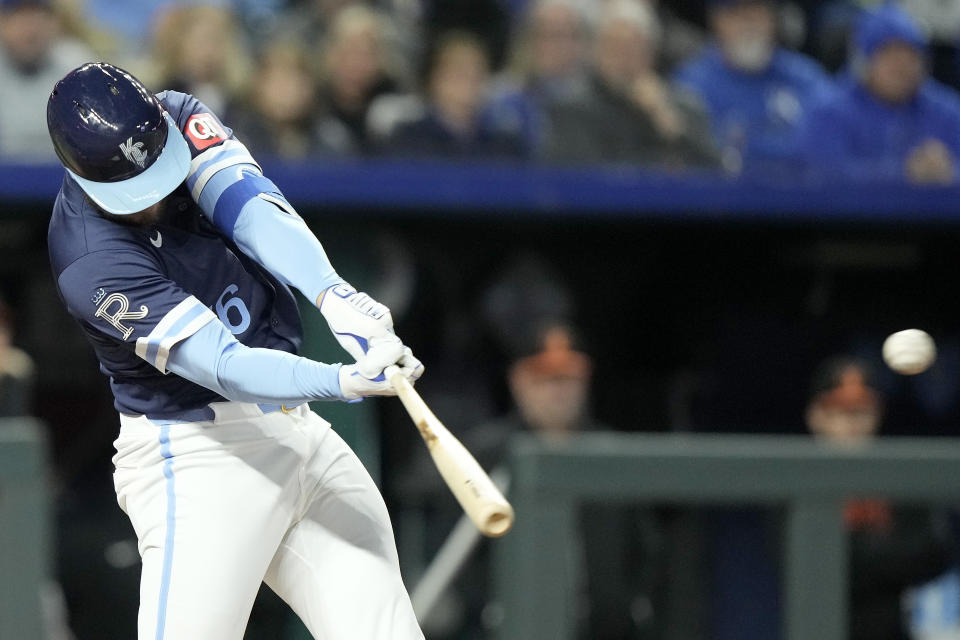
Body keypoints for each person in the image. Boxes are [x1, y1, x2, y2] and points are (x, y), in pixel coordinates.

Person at [45, 62, 425, 640]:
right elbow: (224, 365)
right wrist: (342, 381)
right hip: (197, 457)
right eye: (132, 191)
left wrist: (335, 294)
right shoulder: (90, 261)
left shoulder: (176, 115)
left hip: (294, 427)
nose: (155, 197)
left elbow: (250, 208)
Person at [797, 3, 960, 185]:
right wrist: (903, 173)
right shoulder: (828, 111)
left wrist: (948, 171)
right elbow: (824, 174)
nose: (902, 69)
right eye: (890, 58)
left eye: (911, 57)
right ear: (864, 63)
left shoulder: (947, 110)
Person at [545, 0, 719, 168]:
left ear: (652, 53)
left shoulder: (684, 107)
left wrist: (669, 125)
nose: (623, 59)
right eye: (614, 46)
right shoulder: (570, 107)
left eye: (633, 47)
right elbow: (581, 175)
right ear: (596, 51)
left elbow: (718, 174)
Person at [673, 0, 833, 175]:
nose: (748, 27)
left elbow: (827, 144)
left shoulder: (805, 77)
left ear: (774, 20)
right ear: (716, 22)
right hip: (722, 199)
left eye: (757, 14)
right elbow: (702, 158)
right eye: (737, 16)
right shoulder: (692, 84)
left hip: (803, 196)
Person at [0, 0, 93, 161]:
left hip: (63, 180)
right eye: (19, 16)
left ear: (56, 22)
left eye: (40, 15)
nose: (30, 29)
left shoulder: (78, 67)